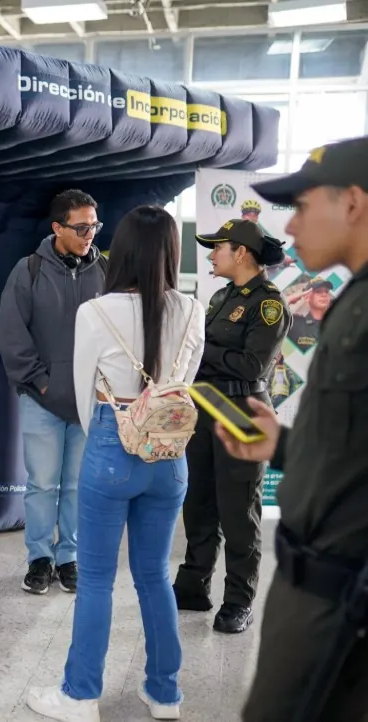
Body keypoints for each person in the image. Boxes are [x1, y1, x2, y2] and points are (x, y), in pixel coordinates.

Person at [26, 205, 205, 722]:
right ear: (172, 251)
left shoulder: (96, 312)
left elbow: (85, 396)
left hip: (111, 447)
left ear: (121, 250)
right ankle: (165, 694)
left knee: (98, 580)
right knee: (154, 576)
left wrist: (112, 435)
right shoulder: (193, 309)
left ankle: (81, 695)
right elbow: (182, 385)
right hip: (170, 457)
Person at [215, 137, 368, 722]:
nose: (293, 224)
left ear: (352, 203)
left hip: (344, 602)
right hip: (314, 592)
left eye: (304, 206)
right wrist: (283, 446)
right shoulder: (356, 299)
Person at [173, 219, 291, 635]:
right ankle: (193, 585)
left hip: (244, 409)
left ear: (241, 252)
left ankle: (239, 601)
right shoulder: (221, 296)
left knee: (239, 510)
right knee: (199, 501)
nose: (210, 255)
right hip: (207, 404)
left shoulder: (269, 304)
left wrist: (205, 349)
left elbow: (252, 365)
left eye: (217, 248)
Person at [0, 189, 108, 595]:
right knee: (42, 483)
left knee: (79, 484)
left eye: (94, 225)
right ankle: (39, 559)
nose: (89, 234)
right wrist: (42, 382)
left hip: (90, 402)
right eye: (81, 227)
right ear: (57, 227)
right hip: (41, 398)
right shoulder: (27, 271)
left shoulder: (108, 272)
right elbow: (12, 334)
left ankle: (69, 558)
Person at [286, 277, 333, 353]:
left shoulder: (337, 324)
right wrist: (289, 301)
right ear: (307, 297)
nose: (324, 294)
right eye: (318, 291)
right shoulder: (294, 324)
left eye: (327, 291)